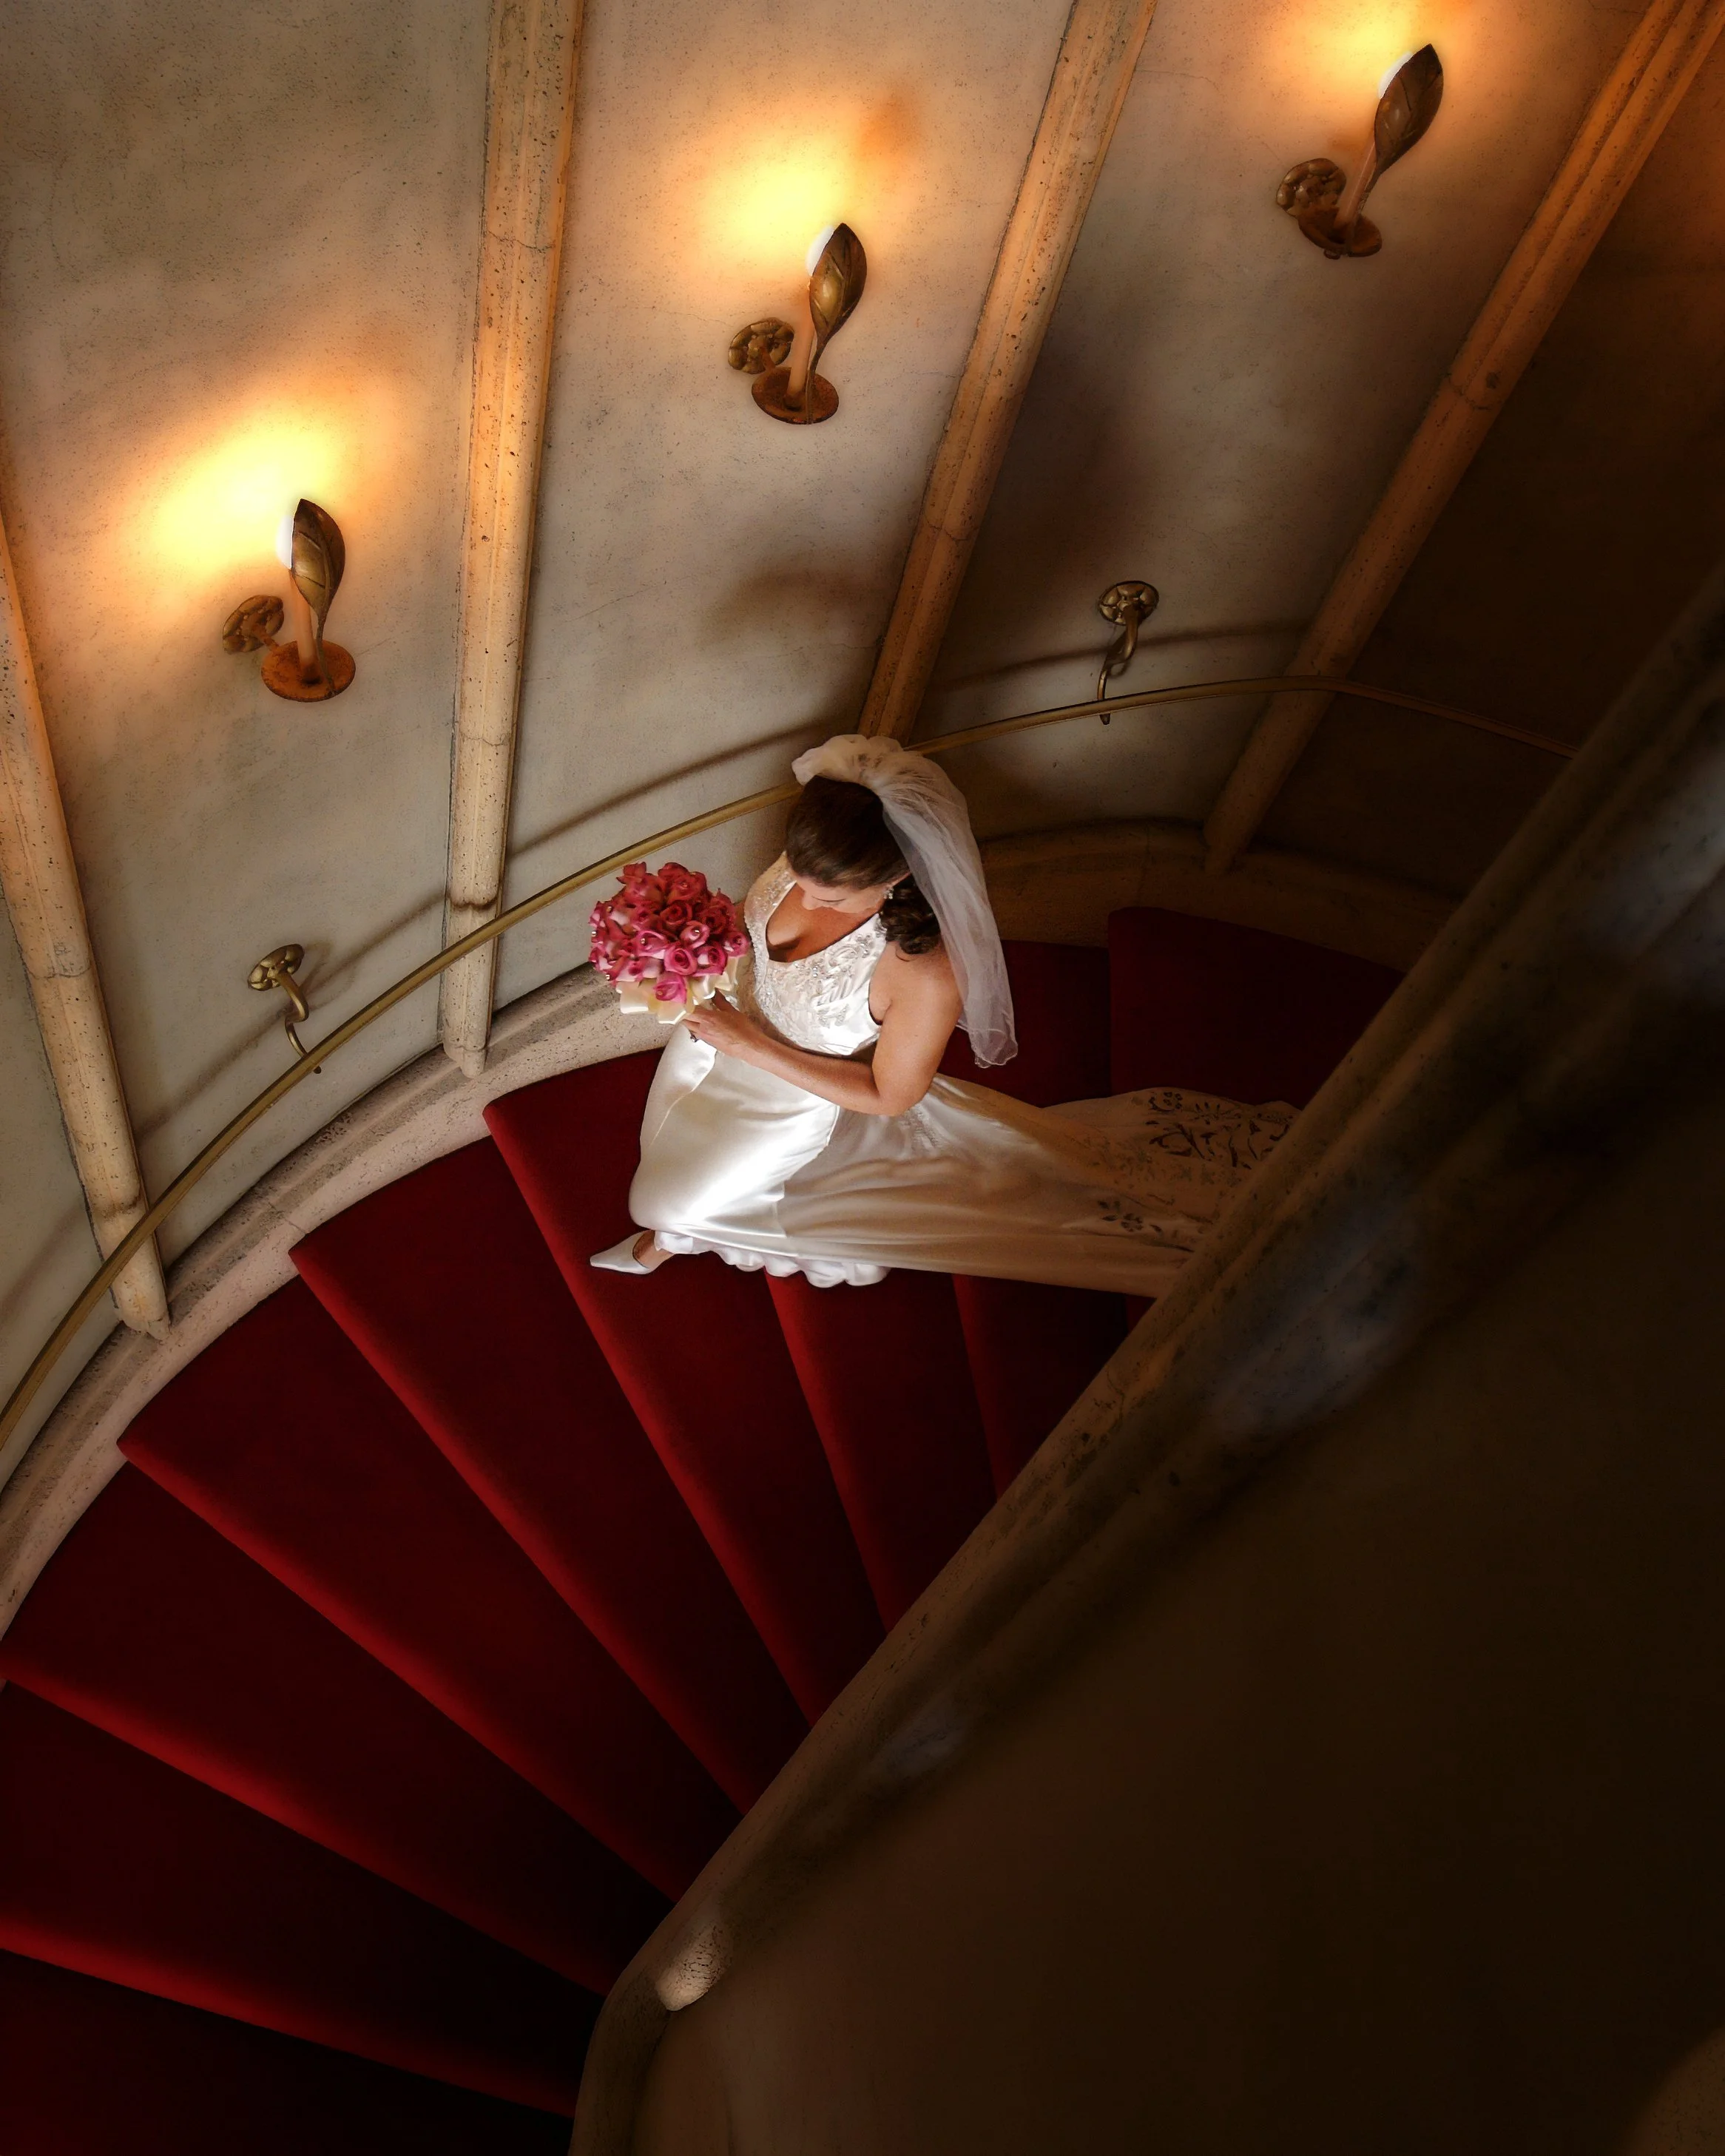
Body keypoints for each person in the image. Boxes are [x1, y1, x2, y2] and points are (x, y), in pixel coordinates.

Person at [590, 733, 1294, 1291]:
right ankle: (676, 1232)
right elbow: (763, 941)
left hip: (789, 1093)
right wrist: (693, 944)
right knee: (664, 1142)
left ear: (898, 875)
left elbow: (892, 1095)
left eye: (832, 898)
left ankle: (669, 1235)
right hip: (722, 1031)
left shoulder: (923, 971)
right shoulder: (817, 858)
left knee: (664, 1201)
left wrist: (751, 1047)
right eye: (798, 882)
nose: (808, 899)